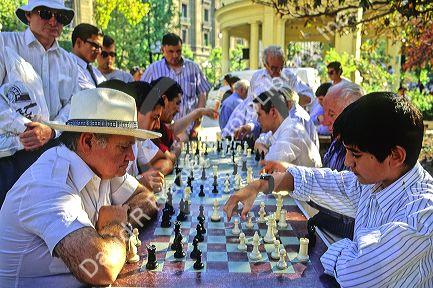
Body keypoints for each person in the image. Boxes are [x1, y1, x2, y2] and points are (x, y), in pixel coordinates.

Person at [224, 92, 433, 287]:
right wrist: (261, 184)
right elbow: (322, 181)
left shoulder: (422, 214)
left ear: (395, 156)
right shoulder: (377, 181)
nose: (348, 162)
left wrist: (337, 249)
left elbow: (356, 273)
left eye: (356, 154)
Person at [0, 88, 159, 287]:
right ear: (88, 141)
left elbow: (147, 200)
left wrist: (118, 226)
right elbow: (100, 269)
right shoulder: (49, 184)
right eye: (123, 147)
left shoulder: (102, 166)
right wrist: (116, 227)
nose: (131, 157)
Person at [0, 0, 78, 202]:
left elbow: (73, 104)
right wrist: (25, 128)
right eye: (45, 13)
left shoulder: (69, 61)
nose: (53, 21)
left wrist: (51, 131)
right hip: (10, 155)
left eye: (60, 16)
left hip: (53, 152)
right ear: (28, 16)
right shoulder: (4, 43)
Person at [222, 45, 315, 138]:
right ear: (265, 65)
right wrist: (250, 126)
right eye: (273, 68)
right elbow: (251, 106)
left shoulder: (290, 77)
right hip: (259, 129)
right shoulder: (257, 78)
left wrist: (290, 100)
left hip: (284, 131)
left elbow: (309, 96)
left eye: (281, 67)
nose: (278, 72)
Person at [141, 33, 211, 138]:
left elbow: (202, 94)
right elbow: (144, 100)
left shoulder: (194, 68)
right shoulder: (152, 70)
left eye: (178, 51)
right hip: (162, 133)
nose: (175, 55)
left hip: (189, 129)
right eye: (171, 51)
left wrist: (197, 126)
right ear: (162, 50)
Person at [252, 88, 321, 167]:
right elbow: (258, 142)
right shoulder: (282, 127)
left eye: (259, 114)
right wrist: (266, 152)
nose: (257, 120)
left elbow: (268, 168)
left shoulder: (291, 132)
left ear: (273, 112)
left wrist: (265, 154)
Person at [150, 77, 215, 160]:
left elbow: (174, 131)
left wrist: (198, 113)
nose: (178, 109)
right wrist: (178, 148)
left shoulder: (161, 126)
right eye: (177, 103)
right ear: (164, 100)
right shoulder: (149, 129)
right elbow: (169, 160)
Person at [71, 23, 105, 89]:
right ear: (79, 43)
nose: (99, 51)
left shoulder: (95, 72)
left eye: (101, 47)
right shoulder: (67, 67)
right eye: (95, 45)